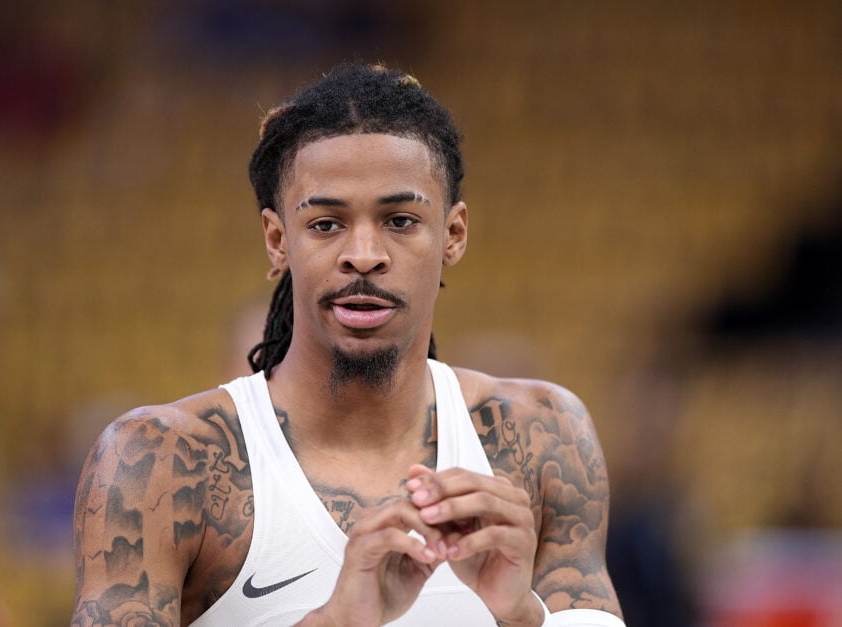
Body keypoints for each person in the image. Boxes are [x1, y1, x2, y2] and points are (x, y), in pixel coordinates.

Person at [71, 63, 625, 626]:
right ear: (277, 239)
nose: (363, 253)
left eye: (401, 220)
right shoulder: (161, 461)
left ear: (453, 234)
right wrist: (335, 620)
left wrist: (521, 618)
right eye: (326, 224)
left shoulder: (542, 434)